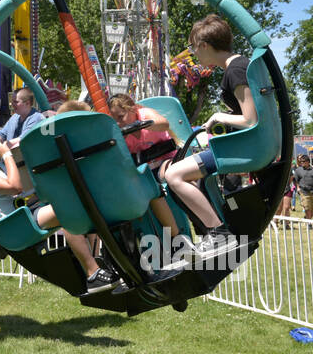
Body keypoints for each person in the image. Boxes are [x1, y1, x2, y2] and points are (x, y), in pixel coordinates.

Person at [0, 123, 118, 294]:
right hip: (15, 225)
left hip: (24, 214)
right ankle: (93, 274)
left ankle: (97, 263)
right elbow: (14, 187)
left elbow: (21, 192)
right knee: (66, 212)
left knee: (81, 204)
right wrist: (7, 155)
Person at [159, 14, 262, 258]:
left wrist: (219, 116)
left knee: (174, 175)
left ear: (204, 45)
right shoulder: (240, 65)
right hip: (241, 145)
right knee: (185, 176)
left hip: (244, 149)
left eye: (194, 48)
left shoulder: (235, 70)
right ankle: (213, 230)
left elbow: (251, 119)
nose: (194, 54)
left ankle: (218, 234)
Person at [109, 93, 193, 268]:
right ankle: (158, 245)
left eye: (121, 117)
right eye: (115, 119)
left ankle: (180, 236)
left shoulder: (145, 114)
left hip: (165, 160)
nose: (119, 122)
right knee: (149, 189)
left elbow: (164, 123)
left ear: (132, 109)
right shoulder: (123, 134)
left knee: (166, 176)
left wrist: (142, 124)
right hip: (146, 170)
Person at [292, 154, 313, 221]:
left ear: (308, 162)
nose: (302, 163)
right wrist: (298, 188)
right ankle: (309, 223)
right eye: (301, 161)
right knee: (307, 208)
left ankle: (307, 218)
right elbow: (296, 180)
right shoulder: (298, 170)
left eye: (303, 161)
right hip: (304, 192)